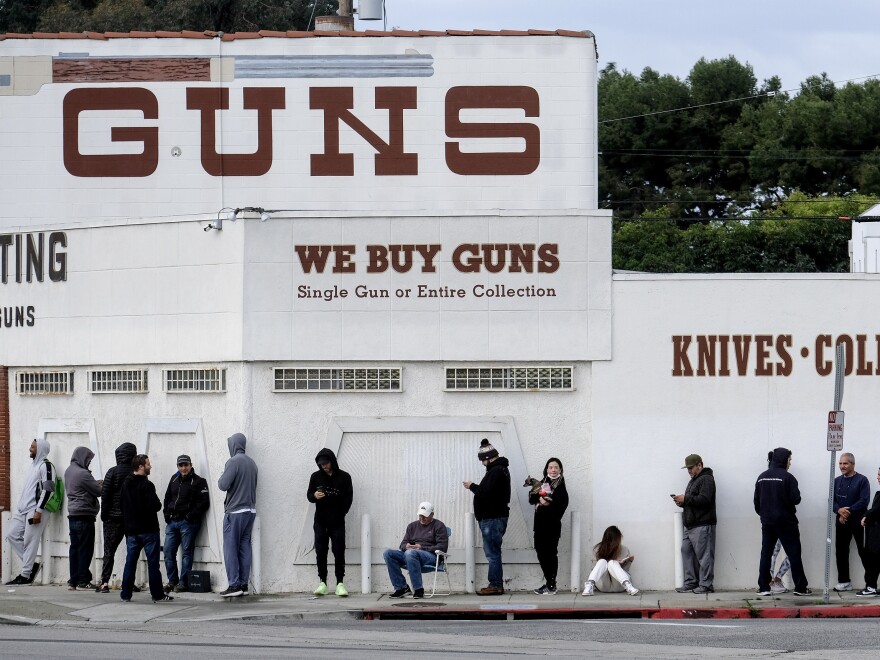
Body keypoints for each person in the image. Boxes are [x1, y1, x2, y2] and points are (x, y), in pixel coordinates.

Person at [754, 447, 811, 596]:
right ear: (784, 459)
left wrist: (765, 515)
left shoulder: (761, 477)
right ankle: (800, 587)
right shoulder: (788, 478)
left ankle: (764, 587)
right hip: (786, 522)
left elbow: (756, 503)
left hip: (767, 522)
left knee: (766, 554)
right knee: (794, 553)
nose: (790, 463)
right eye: (789, 459)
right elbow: (796, 499)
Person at [120, 454, 173, 602]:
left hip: (131, 531)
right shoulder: (147, 485)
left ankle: (125, 594)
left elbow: (121, 506)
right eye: (148, 464)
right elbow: (156, 505)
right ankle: (157, 594)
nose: (151, 466)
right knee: (153, 564)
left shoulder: (126, 484)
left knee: (130, 563)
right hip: (149, 530)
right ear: (141, 466)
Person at [463, 438, 511, 596]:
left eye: (483, 460)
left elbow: (485, 493)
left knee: (492, 553)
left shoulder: (496, 471)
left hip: (492, 518)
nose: (483, 464)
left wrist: (472, 486)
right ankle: (495, 584)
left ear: (488, 458)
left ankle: (495, 584)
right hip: (494, 517)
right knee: (493, 552)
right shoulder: (499, 470)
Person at [5, 438, 54, 586]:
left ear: (40, 449)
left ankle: (25, 576)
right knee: (12, 534)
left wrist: (39, 510)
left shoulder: (46, 466)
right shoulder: (33, 466)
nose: (29, 449)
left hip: (35, 510)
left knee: (30, 542)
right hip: (23, 510)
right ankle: (32, 566)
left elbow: (49, 489)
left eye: (32, 447)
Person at [306, 448, 353, 597]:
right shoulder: (315, 476)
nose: (324, 466)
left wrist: (341, 513)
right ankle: (323, 582)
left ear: (332, 461)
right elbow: (309, 495)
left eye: (326, 463)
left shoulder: (345, 477)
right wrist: (314, 495)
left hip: (337, 521)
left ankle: (340, 583)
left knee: (339, 550)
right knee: (321, 550)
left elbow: (348, 498)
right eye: (321, 464)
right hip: (320, 520)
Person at [218, 432, 258, 598]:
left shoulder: (233, 462)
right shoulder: (252, 463)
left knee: (230, 548)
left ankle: (234, 585)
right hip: (250, 511)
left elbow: (222, 484)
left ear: (233, 445)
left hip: (234, 511)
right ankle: (243, 584)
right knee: (244, 547)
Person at [162, 454, 210, 593]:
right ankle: (172, 581)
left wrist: (190, 516)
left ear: (190, 465)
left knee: (186, 553)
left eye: (186, 465)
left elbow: (203, 503)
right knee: (168, 552)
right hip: (172, 522)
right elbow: (167, 498)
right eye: (181, 465)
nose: (183, 468)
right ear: (177, 466)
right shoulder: (174, 478)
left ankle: (183, 582)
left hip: (188, 523)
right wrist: (167, 515)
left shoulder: (199, 481)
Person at [383, 501, 449, 599]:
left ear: (432, 514)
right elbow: (402, 544)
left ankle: (418, 589)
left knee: (410, 553)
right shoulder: (412, 526)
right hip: (411, 555)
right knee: (388, 553)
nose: (421, 518)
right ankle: (402, 587)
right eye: (420, 515)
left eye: (425, 516)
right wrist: (406, 546)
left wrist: (422, 548)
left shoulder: (439, 525)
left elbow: (442, 547)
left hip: (431, 555)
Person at [96, 442, 138, 593]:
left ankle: (104, 583)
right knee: (132, 552)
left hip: (113, 518)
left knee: (109, 551)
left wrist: (104, 515)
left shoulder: (112, 472)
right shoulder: (135, 472)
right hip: (131, 519)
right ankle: (130, 583)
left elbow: (105, 495)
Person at [672, 453, 716, 594]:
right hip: (691, 525)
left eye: (691, 467)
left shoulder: (707, 479)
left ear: (699, 465)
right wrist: (682, 503)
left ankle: (706, 584)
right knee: (686, 551)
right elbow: (694, 501)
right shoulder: (694, 480)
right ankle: (691, 582)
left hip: (702, 524)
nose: (689, 471)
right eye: (687, 468)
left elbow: (705, 500)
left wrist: (686, 499)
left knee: (705, 556)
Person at [63, 446, 102, 590]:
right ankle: (83, 580)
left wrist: (93, 482)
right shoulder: (83, 473)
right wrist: (101, 483)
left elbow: (82, 487)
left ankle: (73, 580)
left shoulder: (69, 470)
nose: (89, 462)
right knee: (85, 549)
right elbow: (99, 491)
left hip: (72, 515)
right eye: (88, 459)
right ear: (82, 458)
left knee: (75, 548)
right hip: (84, 515)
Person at [530, 457, 569, 595]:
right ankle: (549, 583)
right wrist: (539, 499)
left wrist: (546, 504)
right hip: (539, 526)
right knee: (541, 553)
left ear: (560, 470)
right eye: (550, 467)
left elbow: (559, 508)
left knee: (550, 554)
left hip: (551, 527)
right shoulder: (541, 483)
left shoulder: (561, 488)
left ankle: (551, 584)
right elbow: (531, 497)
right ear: (547, 469)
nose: (553, 470)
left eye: (556, 467)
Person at [832, 452, 870, 592]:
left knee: (864, 551)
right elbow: (832, 500)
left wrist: (847, 511)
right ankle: (844, 582)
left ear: (852, 464)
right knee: (841, 551)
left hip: (858, 522)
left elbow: (864, 500)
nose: (842, 466)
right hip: (841, 521)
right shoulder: (836, 481)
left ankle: (870, 584)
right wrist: (838, 510)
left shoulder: (862, 480)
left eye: (845, 463)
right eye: (840, 463)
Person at [581, 525, 639, 596]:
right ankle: (589, 585)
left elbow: (625, 571)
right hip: (603, 585)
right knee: (602, 561)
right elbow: (595, 570)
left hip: (619, 585)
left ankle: (628, 586)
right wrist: (610, 560)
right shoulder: (597, 549)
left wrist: (629, 561)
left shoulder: (624, 549)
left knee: (612, 562)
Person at [858, 466, 880, 597]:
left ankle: (871, 587)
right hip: (876, 534)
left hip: (877, 536)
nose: (877, 477)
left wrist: (866, 516)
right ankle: (871, 586)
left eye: (879, 475)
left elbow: (876, 510)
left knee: (873, 561)